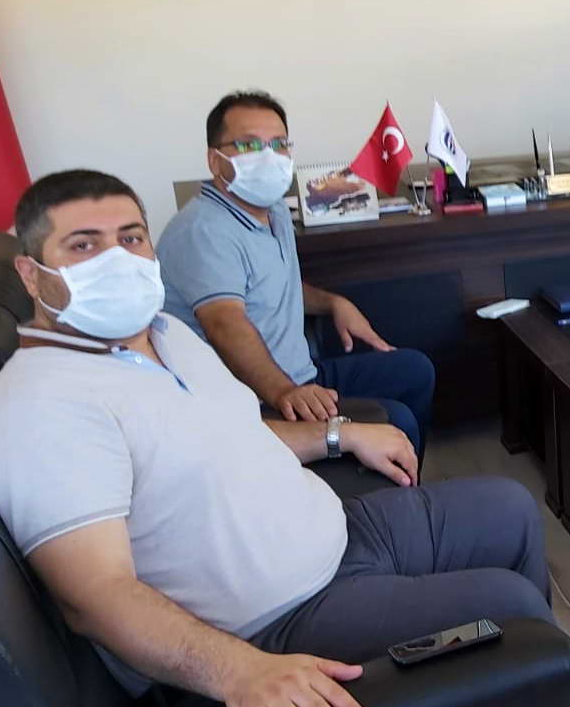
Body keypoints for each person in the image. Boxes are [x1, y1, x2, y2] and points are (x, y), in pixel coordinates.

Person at [0, 170, 570, 707]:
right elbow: (96, 598)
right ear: (31, 273)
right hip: (277, 617)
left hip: (334, 532)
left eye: (130, 238)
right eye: (83, 246)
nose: (117, 261)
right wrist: (240, 671)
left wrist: (339, 434)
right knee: (507, 606)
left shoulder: (163, 333)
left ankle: (549, 701)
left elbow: (235, 433)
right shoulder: (39, 408)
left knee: (506, 509)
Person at [158, 90, 433, 460]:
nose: (268, 156)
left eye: (278, 144)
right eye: (249, 145)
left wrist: (332, 303)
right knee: (397, 419)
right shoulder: (203, 230)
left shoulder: (273, 210)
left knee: (414, 369)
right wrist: (284, 392)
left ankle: (402, 481)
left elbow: (271, 284)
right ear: (214, 160)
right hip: (253, 396)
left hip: (301, 373)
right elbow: (224, 323)